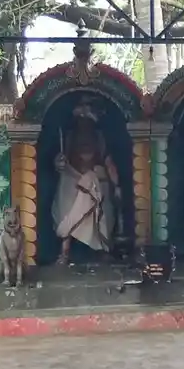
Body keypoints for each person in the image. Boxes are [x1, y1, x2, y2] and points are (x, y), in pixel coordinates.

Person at [53, 106, 120, 264]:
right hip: (72, 181)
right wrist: (59, 163)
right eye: (81, 121)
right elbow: (59, 163)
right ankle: (65, 249)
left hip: (96, 183)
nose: (84, 126)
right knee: (71, 196)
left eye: (87, 121)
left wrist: (117, 187)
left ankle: (102, 247)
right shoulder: (69, 139)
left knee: (95, 186)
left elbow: (109, 164)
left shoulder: (100, 139)